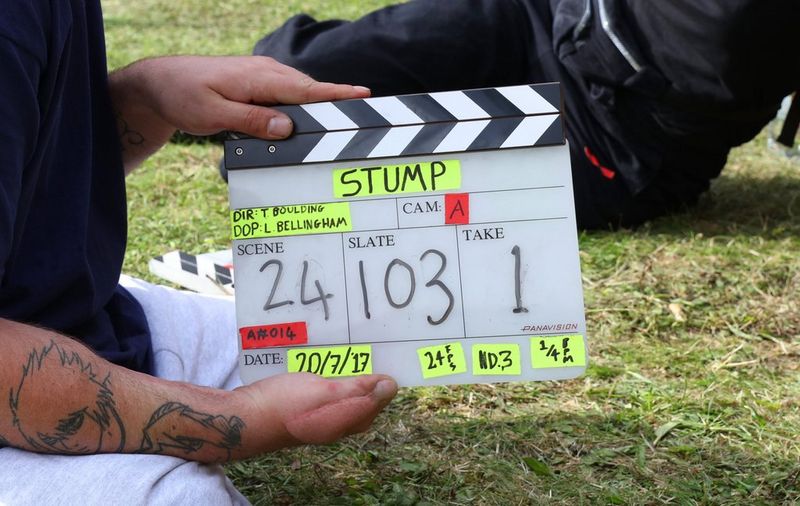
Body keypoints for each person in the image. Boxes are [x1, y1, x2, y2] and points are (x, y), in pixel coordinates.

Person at [0, 2, 397, 504]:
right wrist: (240, 419)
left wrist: (142, 99)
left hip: (78, 319)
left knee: (346, 348)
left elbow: (36, 182)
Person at [248, 0, 799, 229]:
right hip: (536, 15)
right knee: (291, 73)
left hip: (620, 135)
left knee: (334, 186)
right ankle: (201, 113)